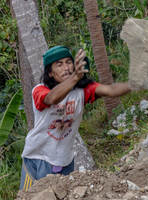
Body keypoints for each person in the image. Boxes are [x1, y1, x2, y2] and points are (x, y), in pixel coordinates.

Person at [20, 46, 132, 190]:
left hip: (65, 160)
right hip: (37, 158)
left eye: (68, 62)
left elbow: (110, 90)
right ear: (50, 72)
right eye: (59, 65)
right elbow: (52, 98)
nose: (66, 67)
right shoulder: (40, 90)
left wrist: (135, 84)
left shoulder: (82, 91)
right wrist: (75, 77)